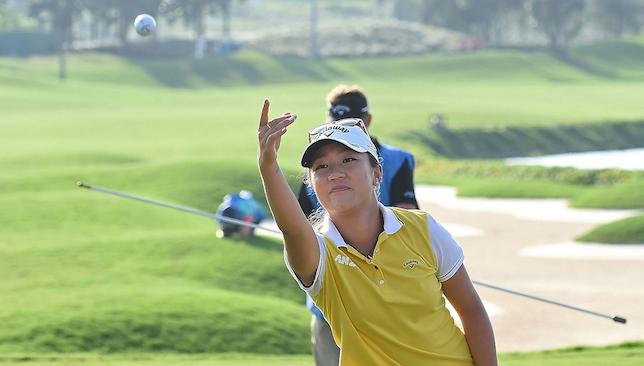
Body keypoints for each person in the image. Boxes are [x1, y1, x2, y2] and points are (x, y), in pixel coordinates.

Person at [257, 100, 497, 365]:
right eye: (321, 167)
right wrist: (269, 168)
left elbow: (471, 310)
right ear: (312, 185)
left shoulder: (423, 228)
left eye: (348, 160)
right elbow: (292, 229)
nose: (335, 173)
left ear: (376, 174)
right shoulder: (319, 255)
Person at [297, 85, 419, 366]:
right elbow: (299, 227)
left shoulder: (397, 160)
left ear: (368, 121)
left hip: (386, 297)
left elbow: (406, 215)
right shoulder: (313, 165)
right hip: (330, 298)